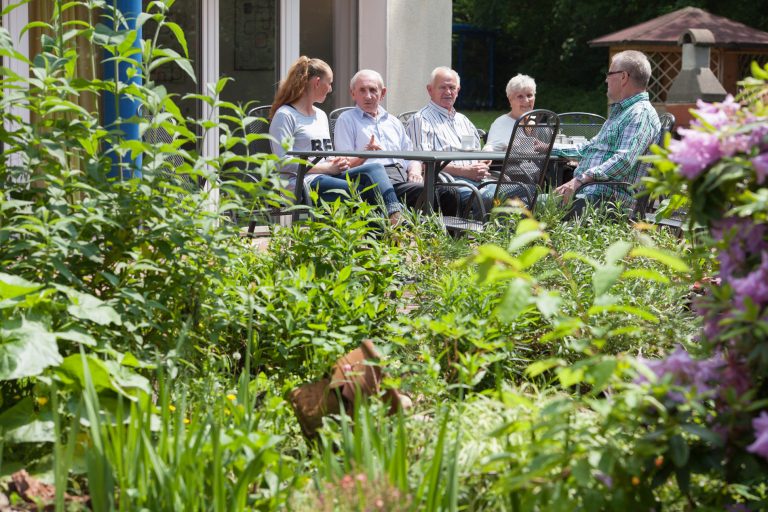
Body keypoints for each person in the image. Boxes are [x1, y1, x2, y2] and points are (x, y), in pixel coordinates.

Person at [269, 56, 403, 226]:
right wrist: (327, 167)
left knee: (374, 168)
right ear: (317, 82)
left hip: (325, 176)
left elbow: (325, 157)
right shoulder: (285, 115)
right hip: (301, 183)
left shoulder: (321, 115)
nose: (331, 89)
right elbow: (281, 163)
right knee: (363, 193)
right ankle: (387, 238)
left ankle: (396, 217)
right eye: (329, 83)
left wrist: (345, 159)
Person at [333, 69, 460, 215]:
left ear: (383, 93)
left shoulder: (393, 122)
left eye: (373, 90)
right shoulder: (346, 120)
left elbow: (411, 156)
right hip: (371, 182)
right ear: (353, 93)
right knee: (429, 195)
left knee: (449, 193)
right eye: (362, 90)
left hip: (401, 179)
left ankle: (445, 237)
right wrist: (364, 155)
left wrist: (414, 172)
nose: (368, 96)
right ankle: (399, 227)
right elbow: (344, 165)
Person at [552, 50, 661, 216]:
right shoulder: (623, 112)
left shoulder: (640, 114)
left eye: (609, 73)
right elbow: (589, 148)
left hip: (607, 199)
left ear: (623, 77)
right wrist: (549, 148)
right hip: (590, 192)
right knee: (524, 200)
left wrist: (580, 179)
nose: (606, 79)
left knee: (519, 204)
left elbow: (624, 160)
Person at [405, 67, 494, 211]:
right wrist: (465, 171)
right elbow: (423, 163)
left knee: (519, 194)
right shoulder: (421, 120)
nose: (448, 92)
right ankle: (481, 233)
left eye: (452, 87)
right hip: (450, 185)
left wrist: (482, 163)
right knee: (490, 198)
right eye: (442, 87)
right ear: (430, 90)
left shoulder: (464, 121)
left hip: (479, 181)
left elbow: (472, 152)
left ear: (458, 90)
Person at [483, 74, 537, 151]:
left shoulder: (540, 121)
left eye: (529, 95)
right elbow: (489, 149)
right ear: (510, 100)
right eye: (520, 96)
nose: (526, 100)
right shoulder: (501, 123)